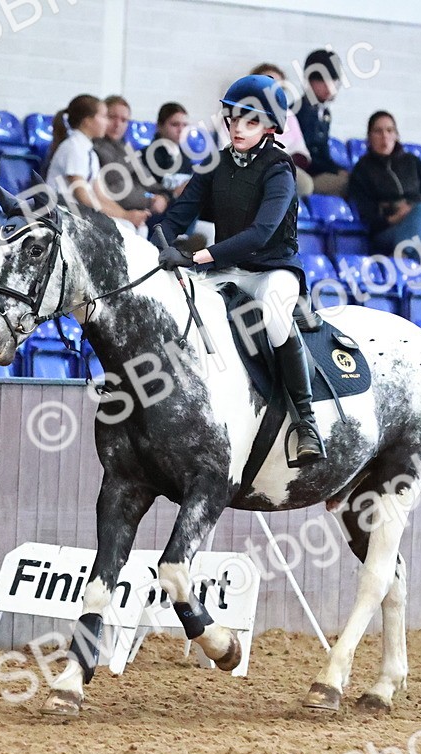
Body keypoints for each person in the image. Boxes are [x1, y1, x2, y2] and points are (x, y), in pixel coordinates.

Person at [157, 74, 324, 466]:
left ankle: (306, 421)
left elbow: (261, 233)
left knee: (275, 318)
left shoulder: (280, 170)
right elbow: (179, 216)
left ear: (269, 127)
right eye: (233, 120)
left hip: (272, 270)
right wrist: (160, 239)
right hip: (227, 269)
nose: (238, 129)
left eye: (250, 122)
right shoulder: (214, 164)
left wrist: (197, 257)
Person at [348, 111, 421, 257]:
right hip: (388, 229)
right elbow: (367, 214)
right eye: (378, 131)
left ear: (396, 135)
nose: (384, 136)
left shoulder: (412, 162)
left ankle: (404, 257)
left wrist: (413, 213)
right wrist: (396, 217)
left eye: (389, 130)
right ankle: (408, 259)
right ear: (369, 137)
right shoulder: (362, 170)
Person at [44, 94, 149, 228]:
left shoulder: (89, 151)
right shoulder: (74, 148)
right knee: (127, 228)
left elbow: (100, 194)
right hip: (63, 215)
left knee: (137, 227)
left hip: (77, 213)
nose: (107, 122)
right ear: (87, 121)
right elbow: (83, 197)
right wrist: (125, 217)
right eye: (104, 117)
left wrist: (126, 214)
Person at [92, 95, 170, 226]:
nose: (118, 124)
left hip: (137, 211)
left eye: (123, 120)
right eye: (112, 117)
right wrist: (149, 201)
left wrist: (163, 196)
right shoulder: (94, 148)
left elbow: (148, 181)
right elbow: (115, 189)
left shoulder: (126, 148)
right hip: (111, 213)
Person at [249, 62, 313, 197]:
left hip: (282, 168)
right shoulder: (237, 113)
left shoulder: (289, 116)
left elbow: (301, 151)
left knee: (305, 184)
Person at [293, 49, 349, 197]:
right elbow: (305, 156)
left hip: (316, 172)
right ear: (309, 81)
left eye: (333, 81)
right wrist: (335, 171)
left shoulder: (324, 114)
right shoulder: (298, 111)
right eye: (323, 81)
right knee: (353, 185)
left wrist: (338, 169)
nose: (329, 87)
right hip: (303, 173)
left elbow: (324, 153)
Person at [147, 102, 195, 191]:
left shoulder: (186, 156)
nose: (181, 130)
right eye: (175, 124)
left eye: (184, 125)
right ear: (159, 126)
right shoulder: (147, 156)